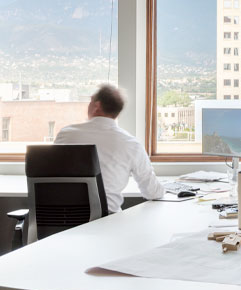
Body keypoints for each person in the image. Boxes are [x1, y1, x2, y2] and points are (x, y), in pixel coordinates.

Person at [54, 84, 165, 212]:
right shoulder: (131, 144)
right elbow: (152, 193)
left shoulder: (66, 134)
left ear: (97, 105)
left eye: (91, 101)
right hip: (106, 222)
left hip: (62, 219)